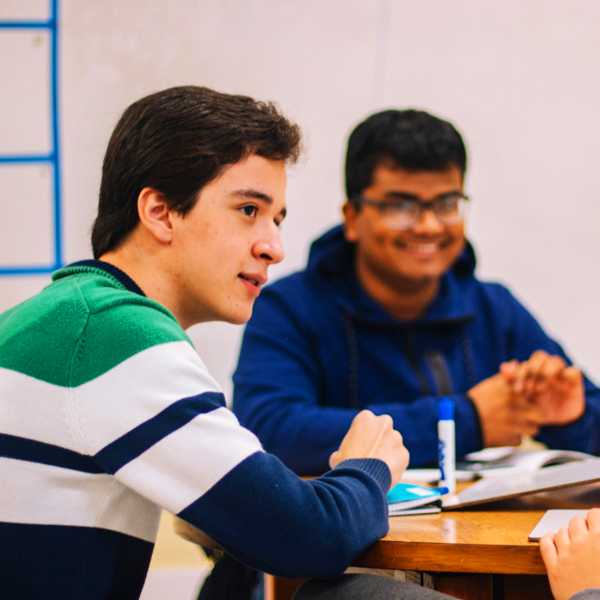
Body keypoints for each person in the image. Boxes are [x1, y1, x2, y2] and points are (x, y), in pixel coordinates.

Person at [0, 86, 451, 600]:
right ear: (161, 211)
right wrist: (368, 467)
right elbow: (312, 538)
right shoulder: (112, 335)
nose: (274, 247)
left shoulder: (61, 317)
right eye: (248, 210)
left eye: (277, 219)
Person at [232, 108, 600, 476]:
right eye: (401, 206)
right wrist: (467, 421)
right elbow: (267, 430)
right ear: (352, 218)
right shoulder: (290, 307)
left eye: (446, 205)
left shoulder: (493, 308)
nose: (428, 226)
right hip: (355, 533)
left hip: (475, 532)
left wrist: (572, 417)